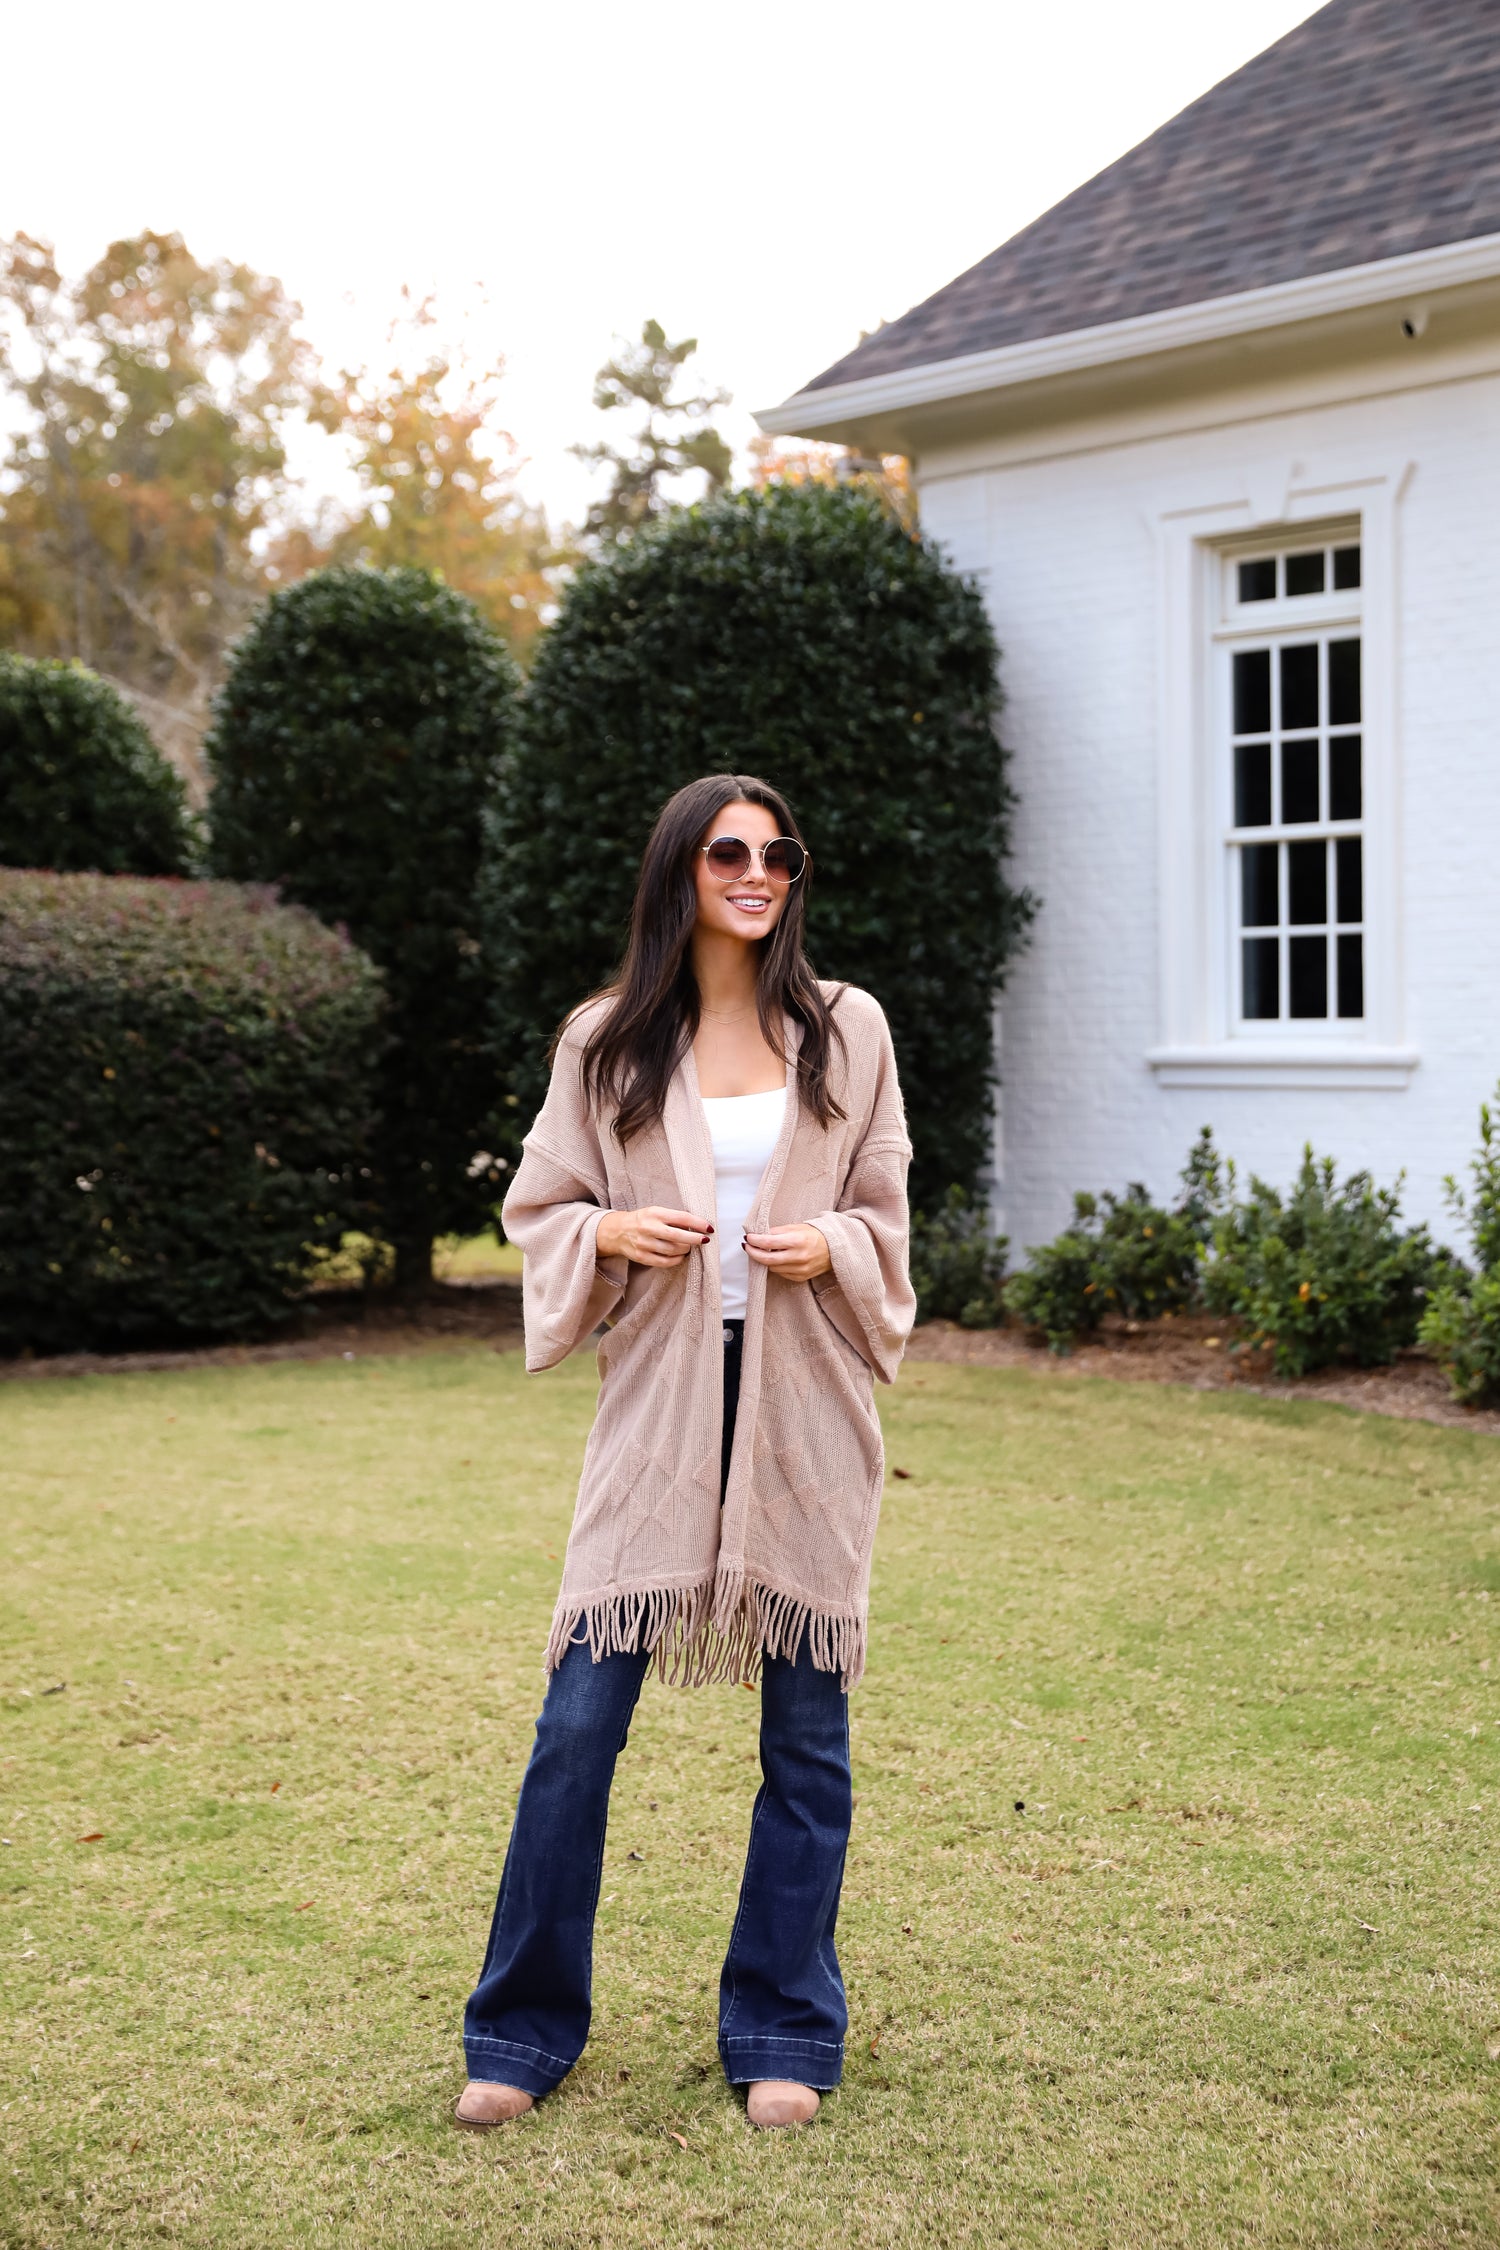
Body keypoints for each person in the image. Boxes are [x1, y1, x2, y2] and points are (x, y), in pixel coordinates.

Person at [456, 773, 914, 2133]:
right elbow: (538, 1204)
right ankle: (521, 2030)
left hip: (808, 1405)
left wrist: (829, 1243)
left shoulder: (849, 1030)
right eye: (730, 851)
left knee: (809, 1737)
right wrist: (608, 1233)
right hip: (657, 1404)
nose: (759, 870)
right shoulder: (607, 1040)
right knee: (576, 1727)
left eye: (778, 853)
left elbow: (886, 1209)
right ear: (682, 870)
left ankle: (782, 2021)